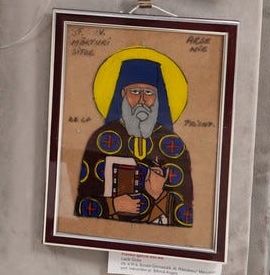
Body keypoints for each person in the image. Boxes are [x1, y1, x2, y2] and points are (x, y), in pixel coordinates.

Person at [74, 57, 193, 227]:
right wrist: (113, 205)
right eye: (135, 91)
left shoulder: (173, 145)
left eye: (149, 92)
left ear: (158, 97)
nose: (142, 100)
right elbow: (81, 205)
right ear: (123, 94)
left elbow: (185, 214)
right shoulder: (101, 139)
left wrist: (159, 195)